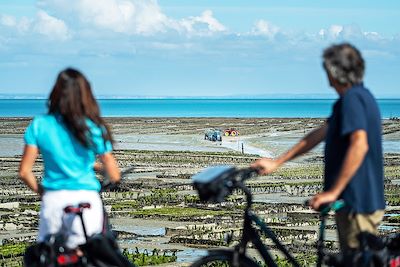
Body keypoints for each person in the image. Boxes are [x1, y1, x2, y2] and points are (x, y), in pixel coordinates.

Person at [251, 43, 385, 252]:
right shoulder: (355, 99)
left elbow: (359, 144)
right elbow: (318, 135)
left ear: (334, 72)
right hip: (356, 202)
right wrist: (277, 162)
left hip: (358, 203)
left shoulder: (352, 99)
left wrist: (333, 192)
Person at [18, 68, 121, 249]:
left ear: (56, 92)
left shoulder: (40, 125)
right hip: (86, 200)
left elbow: (24, 172)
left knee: (47, 256)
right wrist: (98, 169)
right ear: (85, 93)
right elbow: (114, 175)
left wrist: (43, 192)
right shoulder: (93, 126)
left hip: (54, 200)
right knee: (86, 254)